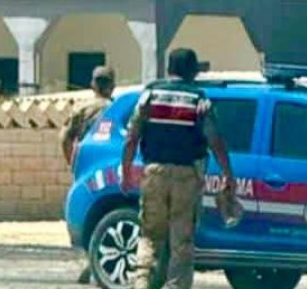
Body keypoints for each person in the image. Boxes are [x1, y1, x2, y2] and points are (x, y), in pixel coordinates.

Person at [122, 48, 235, 289]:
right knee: (180, 243)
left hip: (153, 173)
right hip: (186, 176)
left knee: (150, 236)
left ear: (169, 69)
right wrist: (228, 175)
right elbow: (215, 140)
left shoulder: (150, 95)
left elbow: (131, 137)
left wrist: (126, 172)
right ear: (191, 71)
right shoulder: (198, 99)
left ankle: (141, 283)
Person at [60, 65, 117, 284]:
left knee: (87, 214)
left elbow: (65, 138)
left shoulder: (82, 109)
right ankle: (98, 264)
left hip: (87, 169)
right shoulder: (114, 109)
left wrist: (72, 164)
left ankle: (93, 263)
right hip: (112, 171)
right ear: (112, 86)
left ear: (93, 85)